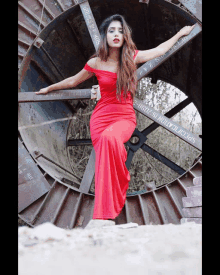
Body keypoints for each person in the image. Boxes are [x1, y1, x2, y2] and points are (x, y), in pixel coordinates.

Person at [35, 14, 195, 222]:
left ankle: (120, 185)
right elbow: (73, 81)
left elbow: (160, 50)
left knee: (112, 140)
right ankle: (102, 217)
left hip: (124, 117)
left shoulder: (132, 57)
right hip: (100, 118)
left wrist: (180, 34)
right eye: (112, 31)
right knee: (103, 162)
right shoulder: (95, 63)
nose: (116, 34)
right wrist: (49, 88)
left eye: (120, 30)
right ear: (105, 36)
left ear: (125, 35)